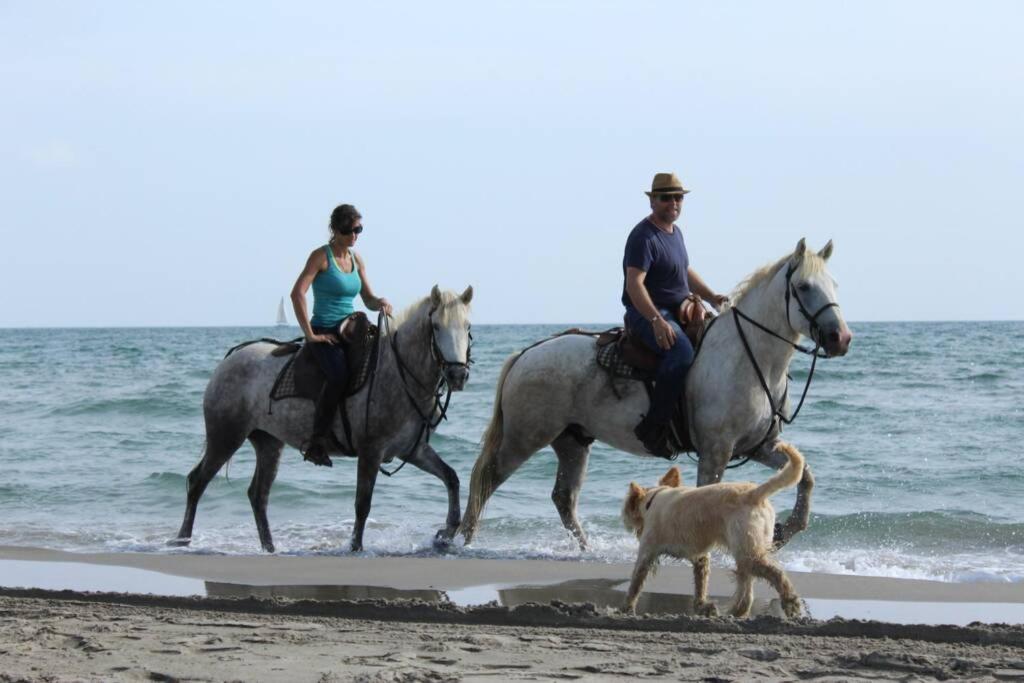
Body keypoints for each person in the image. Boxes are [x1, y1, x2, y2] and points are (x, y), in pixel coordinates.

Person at [622, 173, 729, 458]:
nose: (673, 203)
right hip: (645, 312)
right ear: (652, 201)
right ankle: (654, 427)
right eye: (666, 197)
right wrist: (656, 320)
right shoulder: (643, 236)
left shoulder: (675, 233)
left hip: (680, 309)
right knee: (680, 352)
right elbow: (634, 284)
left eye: (678, 197)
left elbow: (685, 271)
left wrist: (711, 296)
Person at [290, 203, 393, 467]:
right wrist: (310, 334)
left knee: (381, 365)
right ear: (335, 230)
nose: (354, 235)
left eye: (359, 229)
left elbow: (367, 298)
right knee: (339, 376)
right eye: (349, 230)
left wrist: (380, 301)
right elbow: (297, 293)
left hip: (351, 328)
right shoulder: (320, 257)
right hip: (325, 331)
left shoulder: (357, 260)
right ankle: (316, 441)